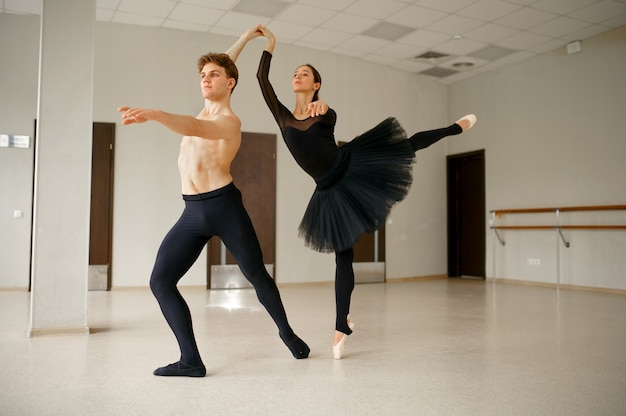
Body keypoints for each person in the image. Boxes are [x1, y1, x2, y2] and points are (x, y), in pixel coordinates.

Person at [230, 25, 477, 360]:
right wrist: (270, 44)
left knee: (404, 146)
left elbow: (329, 113)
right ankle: (341, 324)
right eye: (295, 73)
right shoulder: (283, 117)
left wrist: (325, 105)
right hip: (328, 190)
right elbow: (261, 79)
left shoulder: (324, 112)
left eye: (305, 74)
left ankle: (452, 128)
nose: (298, 76)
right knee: (343, 255)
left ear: (316, 85)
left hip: (350, 166)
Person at [117, 43, 309, 378]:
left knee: (255, 273)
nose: (205, 79)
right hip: (191, 212)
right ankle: (190, 360)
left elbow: (195, 128)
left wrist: (159, 114)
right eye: (202, 76)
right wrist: (247, 38)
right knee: (161, 281)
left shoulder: (228, 122)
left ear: (230, 83)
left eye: (213, 76)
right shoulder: (205, 108)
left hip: (224, 206)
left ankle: (287, 333)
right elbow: (224, 65)